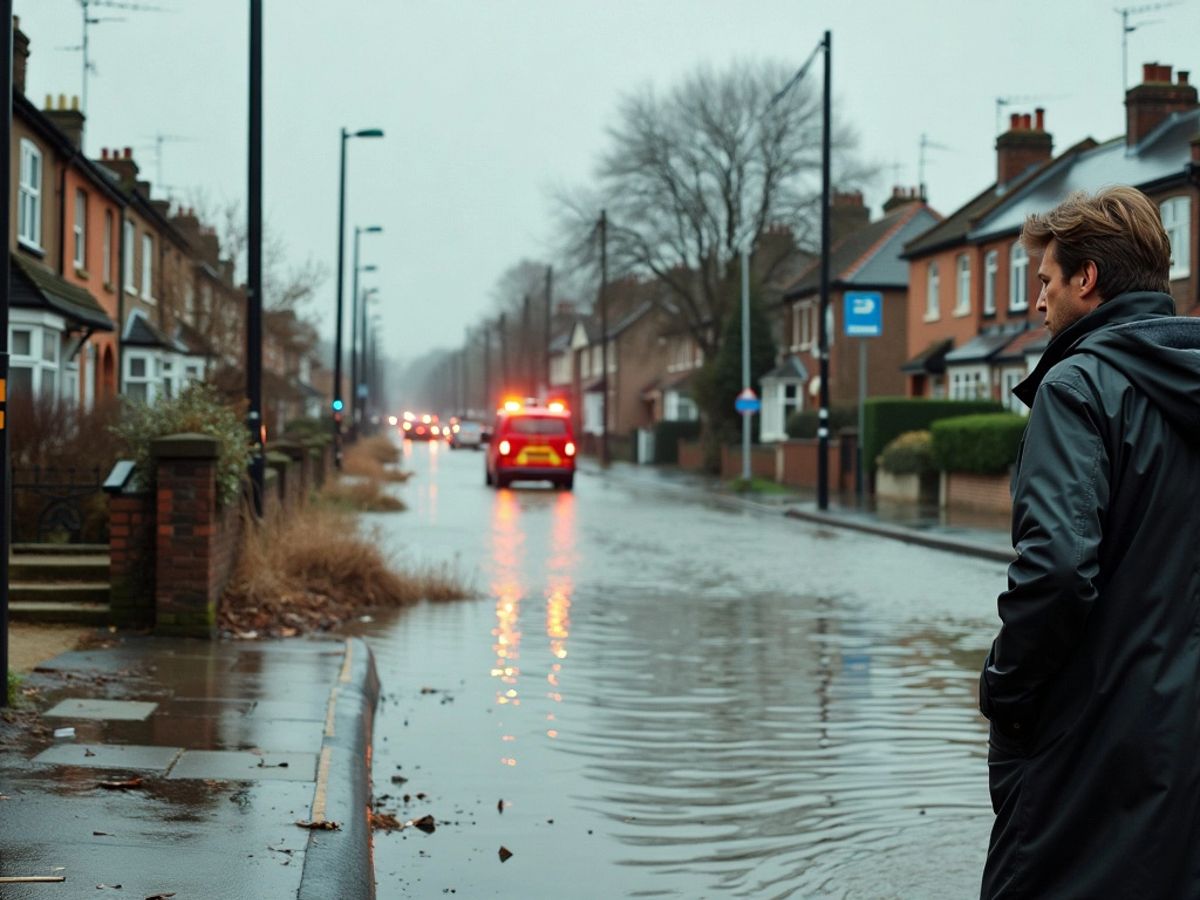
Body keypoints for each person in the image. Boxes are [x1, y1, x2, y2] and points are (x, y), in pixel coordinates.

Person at [979, 185, 1200, 898]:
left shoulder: (1077, 387)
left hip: (1095, 740)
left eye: (1044, 280)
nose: (1036, 302)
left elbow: (1058, 570)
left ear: (1086, 279)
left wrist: (1005, 692)